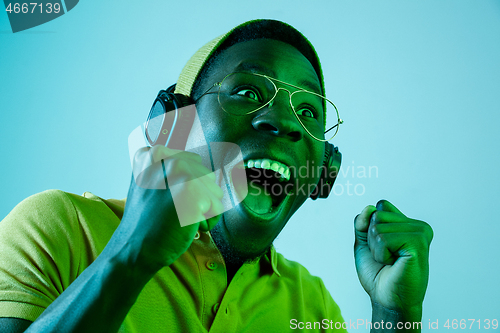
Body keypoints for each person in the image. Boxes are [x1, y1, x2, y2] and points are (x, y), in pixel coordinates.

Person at [0, 19, 433, 332]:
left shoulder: (314, 307)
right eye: (248, 91)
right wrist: (129, 258)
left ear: (322, 172)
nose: (283, 123)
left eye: (307, 112)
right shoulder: (56, 227)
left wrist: (395, 318)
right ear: (175, 128)